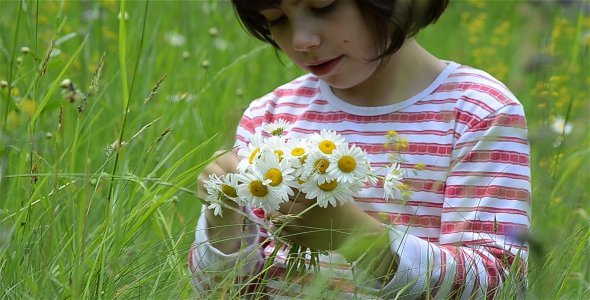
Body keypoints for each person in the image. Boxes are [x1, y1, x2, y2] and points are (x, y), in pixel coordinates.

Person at [189, 0, 531, 298]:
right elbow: (225, 292)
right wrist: (224, 222)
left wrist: (360, 239)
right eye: (277, 19)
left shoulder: (476, 111)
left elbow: (501, 283)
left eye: (323, 7)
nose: (302, 40)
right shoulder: (272, 115)